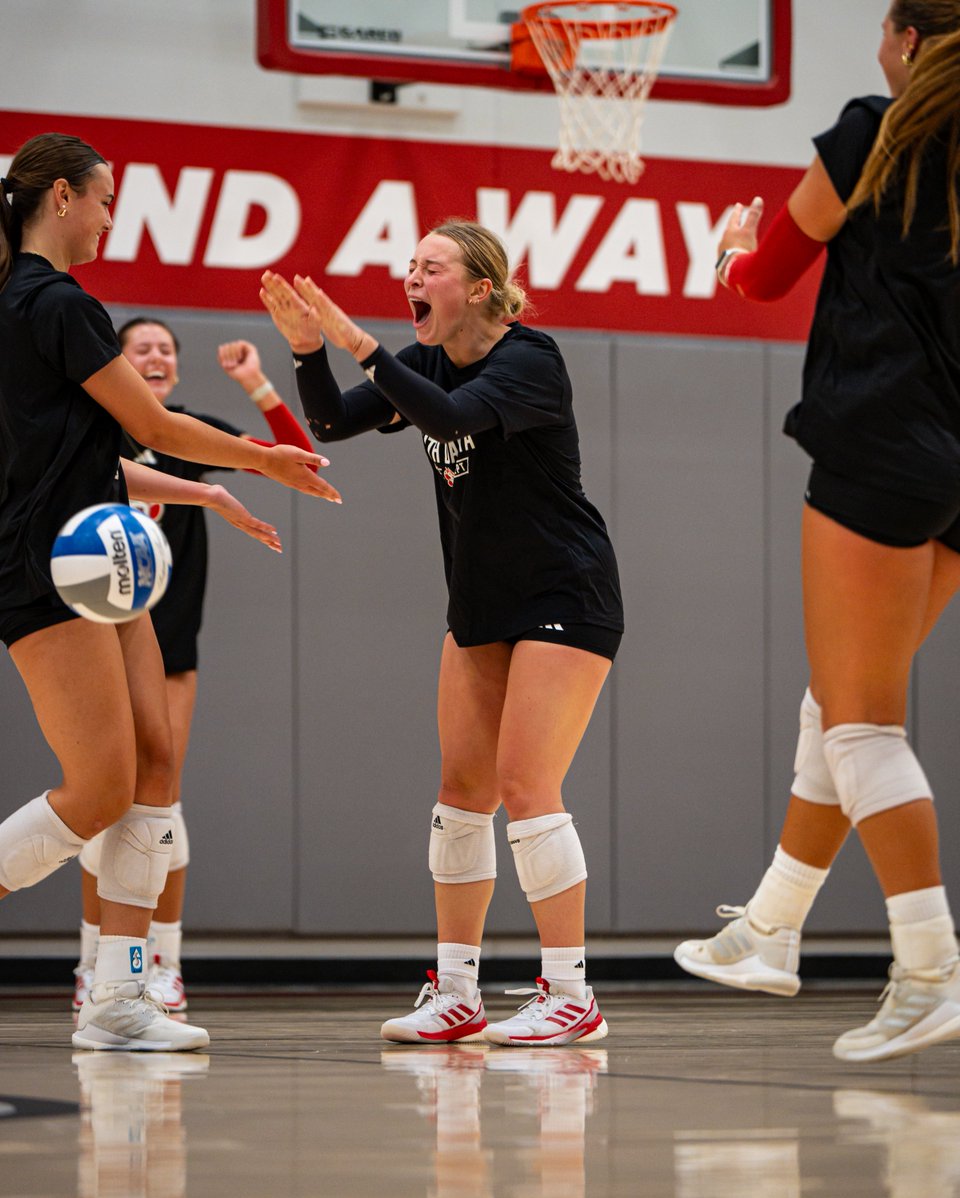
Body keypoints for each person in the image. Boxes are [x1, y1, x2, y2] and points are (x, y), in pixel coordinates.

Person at [0, 131, 340, 1052]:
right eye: (105, 199)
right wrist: (261, 457)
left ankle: (119, 998)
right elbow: (152, 424)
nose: (113, 216)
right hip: (51, 564)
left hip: (102, 558)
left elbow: (100, 458)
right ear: (63, 198)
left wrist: (217, 486)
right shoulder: (51, 299)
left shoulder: (37, 302)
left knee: (155, 765)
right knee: (102, 784)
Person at [674, 1, 960, 1063]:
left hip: (880, 443)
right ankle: (771, 928)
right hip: (954, 465)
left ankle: (929, 970)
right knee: (837, 701)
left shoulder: (874, 132)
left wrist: (732, 252)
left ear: (907, 39)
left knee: (863, 728)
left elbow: (768, 274)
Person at [260, 219, 623, 1046]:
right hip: (480, 604)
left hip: (565, 592)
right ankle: (456, 990)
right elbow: (330, 425)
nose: (412, 278)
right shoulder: (423, 359)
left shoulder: (530, 359)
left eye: (431, 267)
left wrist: (363, 348)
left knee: (528, 787)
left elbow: (453, 422)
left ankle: (570, 992)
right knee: (462, 798)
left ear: (482, 288)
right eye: (409, 267)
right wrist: (311, 349)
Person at [71, 322, 316, 1016]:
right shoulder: (92, 431)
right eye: (140, 348)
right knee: (101, 799)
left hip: (170, 642)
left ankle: (162, 963)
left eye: (165, 351)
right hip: (94, 634)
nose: (155, 357)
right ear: (115, 363)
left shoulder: (190, 432)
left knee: (160, 802)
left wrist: (257, 386)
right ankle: (95, 961)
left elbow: (292, 453)